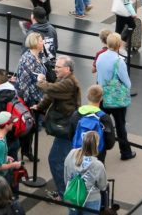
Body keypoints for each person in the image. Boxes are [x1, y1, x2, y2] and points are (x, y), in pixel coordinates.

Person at [33, 56, 82, 199]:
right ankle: (65, 191)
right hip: (64, 127)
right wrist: (39, 107)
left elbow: (51, 89)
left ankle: (64, 194)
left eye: (58, 67)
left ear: (67, 69)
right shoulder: (63, 79)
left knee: (56, 160)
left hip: (66, 128)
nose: (55, 69)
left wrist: (41, 81)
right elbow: (51, 96)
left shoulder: (69, 83)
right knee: (63, 160)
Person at [63, 131, 109, 215]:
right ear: (96, 145)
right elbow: (103, 186)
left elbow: (66, 175)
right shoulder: (98, 165)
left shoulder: (71, 154)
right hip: (91, 198)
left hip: (72, 195)